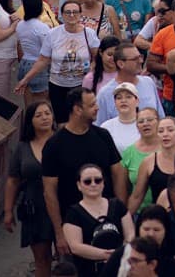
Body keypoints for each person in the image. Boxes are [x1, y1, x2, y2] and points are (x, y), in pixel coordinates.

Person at [43, 89, 127, 259]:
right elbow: (49, 192)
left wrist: (121, 211)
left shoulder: (102, 136)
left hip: (107, 220)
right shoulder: (55, 145)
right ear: (77, 109)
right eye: (92, 105)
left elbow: (118, 173)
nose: (97, 108)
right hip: (74, 224)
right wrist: (59, 233)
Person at [6, 101, 58, 277]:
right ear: (30, 121)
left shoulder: (62, 140)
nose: (44, 118)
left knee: (66, 257)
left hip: (63, 204)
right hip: (34, 207)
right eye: (39, 115)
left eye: (47, 113)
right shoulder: (22, 147)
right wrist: (8, 211)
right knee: (42, 259)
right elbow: (13, 181)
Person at [62, 161, 133, 277]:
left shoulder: (118, 206)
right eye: (87, 181)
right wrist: (107, 255)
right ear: (79, 185)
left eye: (98, 180)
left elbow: (130, 235)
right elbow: (76, 247)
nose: (93, 184)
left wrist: (119, 254)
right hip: (88, 271)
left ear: (103, 183)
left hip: (120, 269)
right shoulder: (73, 213)